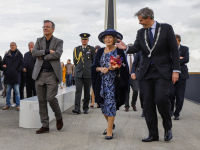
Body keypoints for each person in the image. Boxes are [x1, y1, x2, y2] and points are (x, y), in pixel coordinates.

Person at [115, 7, 180, 142]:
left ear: (149, 18)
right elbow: (136, 48)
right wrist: (126, 48)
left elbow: (174, 50)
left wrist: (175, 70)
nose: (140, 23)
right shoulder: (140, 32)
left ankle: (167, 127)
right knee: (148, 104)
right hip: (145, 73)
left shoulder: (166, 28)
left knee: (161, 99)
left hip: (163, 72)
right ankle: (153, 134)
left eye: (141, 20)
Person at [91, 29, 129, 140]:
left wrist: (117, 67)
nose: (108, 39)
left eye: (110, 37)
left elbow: (124, 66)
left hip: (114, 83)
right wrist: (101, 69)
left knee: (111, 104)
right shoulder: (100, 51)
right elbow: (94, 67)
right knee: (102, 105)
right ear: (103, 39)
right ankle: (110, 124)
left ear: (114, 39)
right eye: (106, 37)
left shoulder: (119, 51)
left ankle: (109, 131)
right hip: (101, 82)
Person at [32, 20, 63, 134]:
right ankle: (45, 125)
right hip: (39, 74)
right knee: (41, 100)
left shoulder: (58, 41)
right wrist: (46, 51)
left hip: (52, 74)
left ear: (53, 29)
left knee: (50, 98)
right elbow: (34, 53)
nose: (45, 28)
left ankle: (59, 117)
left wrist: (43, 57)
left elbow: (58, 54)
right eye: (44, 27)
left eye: (48, 27)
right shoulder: (39, 40)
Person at [72, 33, 95, 114]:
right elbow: (75, 61)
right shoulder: (76, 49)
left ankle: (85, 108)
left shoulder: (91, 49)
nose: (84, 41)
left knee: (87, 92)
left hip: (87, 73)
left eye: (85, 39)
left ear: (88, 40)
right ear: (81, 40)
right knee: (78, 91)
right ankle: (77, 108)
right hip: (79, 73)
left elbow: (93, 61)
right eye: (83, 39)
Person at [169, 34, 189, 120]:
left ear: (179, 41)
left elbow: (186, 59)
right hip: (171, 75)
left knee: (180, 97)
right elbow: (169, 60)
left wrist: (175, 60)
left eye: (175, 41)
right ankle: (170, 111)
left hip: (182, 75)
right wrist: (179, 59)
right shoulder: (169, 49)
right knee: (171, 94)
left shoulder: (185, 49)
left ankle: (177, 113)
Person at [2, 42, 24, 111]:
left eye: (13, 45)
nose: (12, 46)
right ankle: (7, 104)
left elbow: (22, 64)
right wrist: (5, 69)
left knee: (17, 91)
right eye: (11, 45)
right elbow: (3, 63)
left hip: (16, 76)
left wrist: (18, 70)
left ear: (16, 46)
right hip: (8, 76)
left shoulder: (20, 55)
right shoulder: (6, 55)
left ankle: (18, 105)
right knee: (8, 91)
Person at [125, 43, 139, 112]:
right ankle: (126, 106)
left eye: (131, 47)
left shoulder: (136, 55)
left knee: (136, 90)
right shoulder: (123, 56)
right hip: (126, 77)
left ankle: (133, 104)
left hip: (134, 76)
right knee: (126, 91)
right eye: (129, 47)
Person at [131, 51, 144, 117]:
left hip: (153, 74)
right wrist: (133, 72)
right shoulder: (139, 52)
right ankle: (144, 109)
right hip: (141, 75)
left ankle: (150, 109)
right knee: (142, 93)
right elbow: (135, 63)